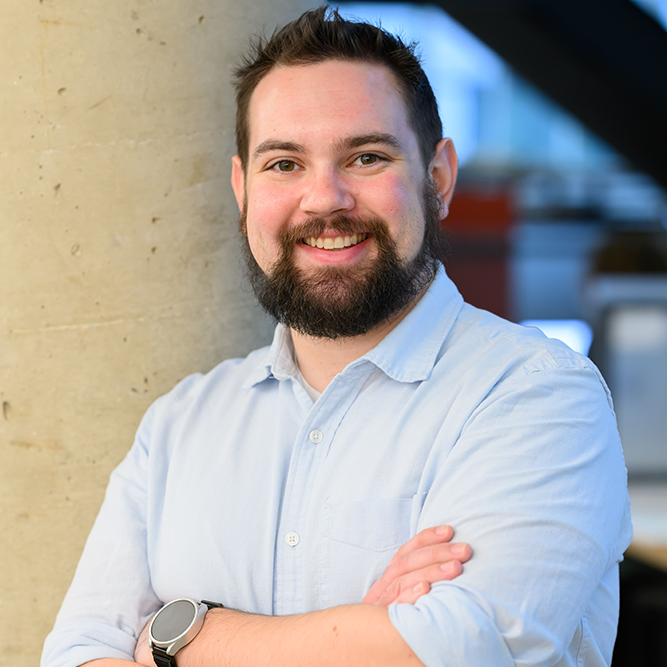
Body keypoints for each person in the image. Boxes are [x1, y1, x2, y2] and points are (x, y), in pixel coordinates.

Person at [41, 7, 632, 667]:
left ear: (436, 177)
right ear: (241, 189)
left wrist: (173, 642)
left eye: (366, 156)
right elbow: (74, 653)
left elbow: (454, 652)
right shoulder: (179, 424)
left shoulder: (537, 396)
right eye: (284, 163)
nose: (324, 199)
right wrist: (360, 633)